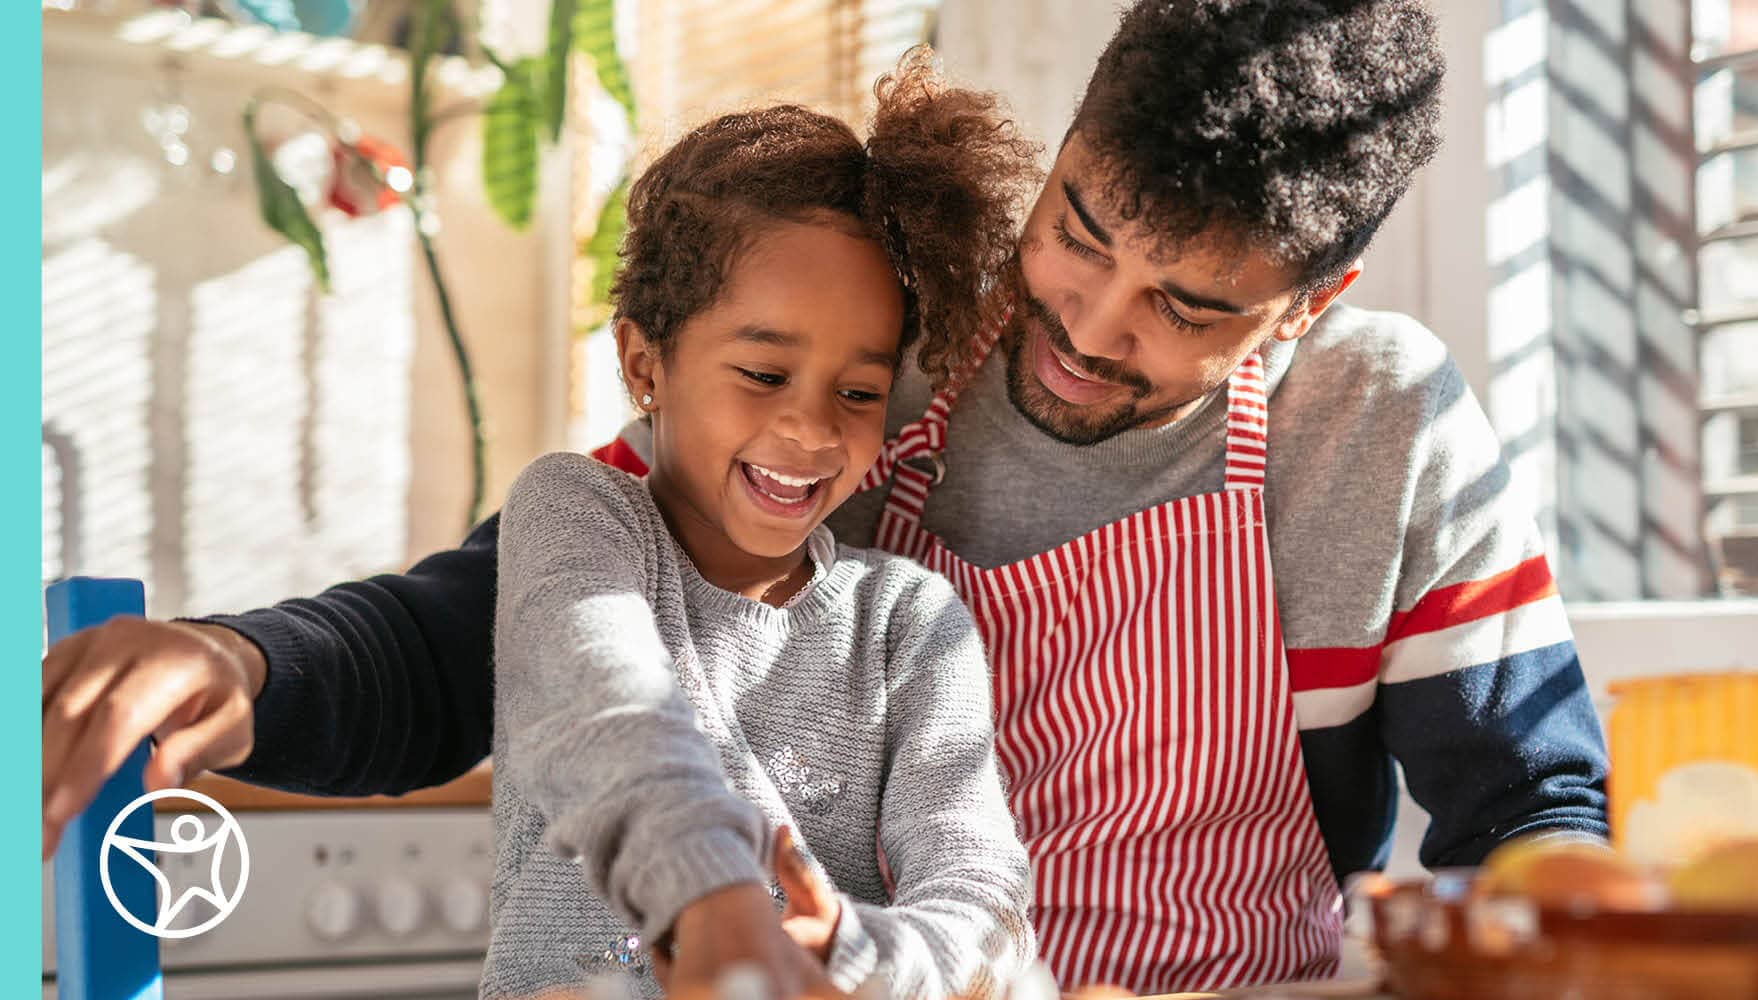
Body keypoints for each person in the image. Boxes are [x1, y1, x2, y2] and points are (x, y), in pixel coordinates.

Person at [43, 1, 1609, 993]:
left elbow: (1531, 813)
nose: (1085, 323)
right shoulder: (868, 373)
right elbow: (514, 624)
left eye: (1187, 308)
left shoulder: (1378, 426)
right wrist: (251, 665)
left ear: (1307, 303)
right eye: (1078, 227)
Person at [479, 54, 1038, 1000]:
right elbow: (611, 712)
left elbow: (982, 899)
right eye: (764, 374)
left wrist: (847, 953)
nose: (812, 429)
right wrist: (720, 906)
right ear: (644, 363)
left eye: (858, 392)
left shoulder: (906, 620)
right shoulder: (575, 514)